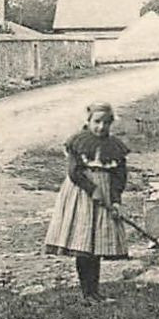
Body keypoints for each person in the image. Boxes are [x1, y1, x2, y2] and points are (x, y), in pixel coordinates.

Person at [44, 102, 131, 300]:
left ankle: (95, 291)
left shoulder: (115, 147)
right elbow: (74, 172)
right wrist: (92, 190)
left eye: (106, 123)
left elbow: (119, 178)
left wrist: (116, 201)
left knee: (96, 245)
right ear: (88, 121)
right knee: (83, 244)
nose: (101, 127)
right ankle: (87, 293)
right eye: (97, 122)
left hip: (105, 194)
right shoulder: (78, 142)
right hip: (81, 194)